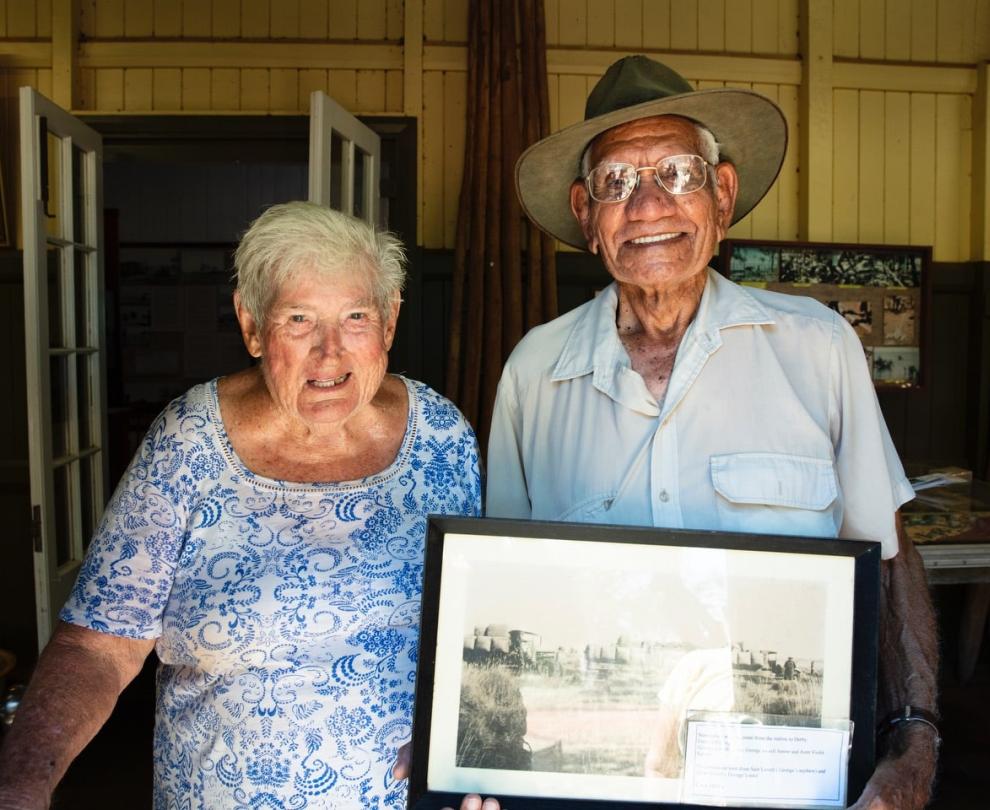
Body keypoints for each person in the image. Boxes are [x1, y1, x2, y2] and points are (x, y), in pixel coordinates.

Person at [479, 55, 938, 810]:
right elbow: (503, 591)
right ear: (587, 216)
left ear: (721, 196)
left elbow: (886, 561)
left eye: (677, 174)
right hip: (595, 783)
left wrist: (914, 743)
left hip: (786, 778)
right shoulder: (535, 372)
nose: (647, 204)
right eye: (616, 182)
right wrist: (478, 752)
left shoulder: (817, 348)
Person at [0, 201, 482, 809]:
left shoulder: (440, 435)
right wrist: (21, 784)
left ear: (389, 322)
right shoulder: (188, 444)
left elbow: (475, 621)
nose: (330, 353)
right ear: (252, 326)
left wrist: (470, 749)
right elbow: (98, 645)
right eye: (299, 320)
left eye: (356, 317)